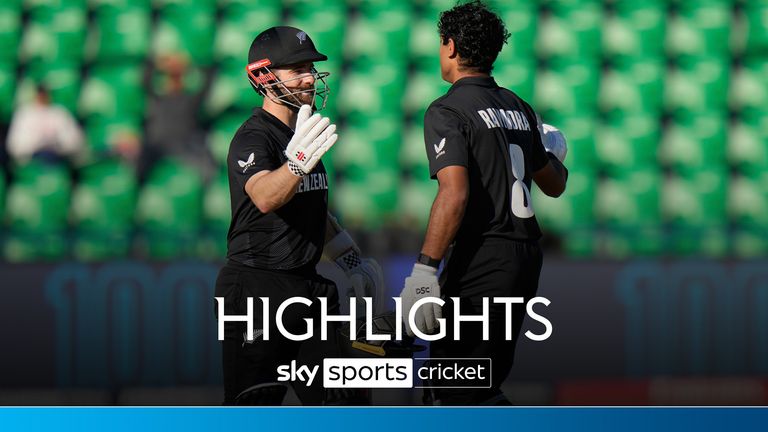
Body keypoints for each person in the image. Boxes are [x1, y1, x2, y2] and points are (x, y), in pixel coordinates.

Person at [398, 1, 569, 405]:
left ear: (451, 47)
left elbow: (454, 193)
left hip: (482, 258)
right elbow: (555, 185)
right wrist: (552, 152)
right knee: (479, 383)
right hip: (523, 258)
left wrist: (424, 271)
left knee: (451, 390)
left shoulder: (447, 109)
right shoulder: (519, 107)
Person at [214, 26, 384, 405]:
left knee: (347, 402)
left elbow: (310, 209)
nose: (309, 77)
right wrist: (297, 164)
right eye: (297, 69)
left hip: (308, 285)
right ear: (264, 77)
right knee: (253, 408)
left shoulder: (302, 134)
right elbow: (264, 196)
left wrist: (350, 259)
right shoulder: (253, 137)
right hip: (257, 288)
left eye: (310, 67)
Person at [142, 53, 215, 181]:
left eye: (177, 77)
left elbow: (208, 77)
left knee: (206, 171)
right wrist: (159, 62)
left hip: (182, 147)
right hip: (154, 147)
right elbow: (145, 78)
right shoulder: (157, 98)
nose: (173, 82)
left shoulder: (189, 99)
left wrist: (190, 64)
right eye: (170, 77)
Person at [6, 84, 84, 165]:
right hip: (32, 159)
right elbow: (14, 145)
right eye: (40, 93)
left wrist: (55, 143)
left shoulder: (60, 113)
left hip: (58, 158)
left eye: (44, 93)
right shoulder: (25, 113)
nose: (42, 96)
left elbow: (74, 142)